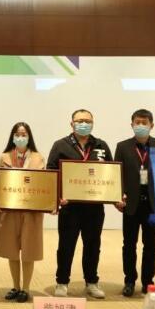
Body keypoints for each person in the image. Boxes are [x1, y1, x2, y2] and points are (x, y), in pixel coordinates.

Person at [47, 109, 112, 299]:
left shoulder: (101, 145)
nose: (84, 124)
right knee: (66, 246)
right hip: (70, 207)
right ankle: (62, 282)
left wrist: (114, 194)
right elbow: (51, 173)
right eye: (80, 120)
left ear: (93, 123)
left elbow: (112, 174)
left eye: (88, 121)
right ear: (72, 124)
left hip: (94, 207)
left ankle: (91, 282)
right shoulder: (60, 145)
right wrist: (58, 196)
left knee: (93, 245)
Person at [114, 109, 155, 297]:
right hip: (130, 205)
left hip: (153, 205)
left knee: (150, 245)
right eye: (137, 122)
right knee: (129, 244)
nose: (140, 125)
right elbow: (116, 175)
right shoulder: (122, 147)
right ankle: (129, 280)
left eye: (144, 122)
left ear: (151, 125)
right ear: (131, 125)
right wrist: (117, 196)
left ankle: (148, 281)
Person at [0, 122, 50, 303]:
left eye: (24, 134)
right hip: (9, 211)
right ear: (12, 137)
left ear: (29, 137)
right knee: (11, 250)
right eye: (17, 134)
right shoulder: (4, 157)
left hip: (31, 212)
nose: (20, 137)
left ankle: (26, 288)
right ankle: (15, 286)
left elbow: (45, 183)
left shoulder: (38, 158)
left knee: (28, 251)